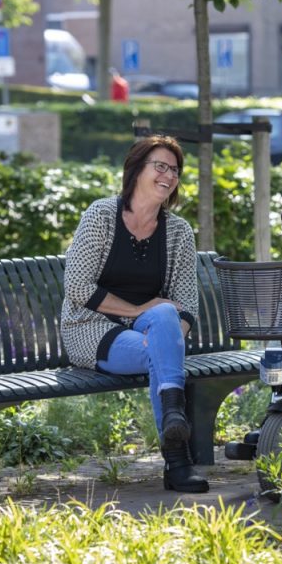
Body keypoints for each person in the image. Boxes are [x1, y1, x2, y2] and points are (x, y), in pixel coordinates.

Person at [61, 135, 207, 493]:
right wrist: (140, 310)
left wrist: (163, 329)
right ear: (136, 169)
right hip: (90, 327)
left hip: (150, 329)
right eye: (160, 166)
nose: (169, 175)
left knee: (167, 316)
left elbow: (187, 303)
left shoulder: (178, 232)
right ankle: (178, 462)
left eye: (174, 170)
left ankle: (174, 418)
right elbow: (77, 287)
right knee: (160, 326)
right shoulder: (100, 215)